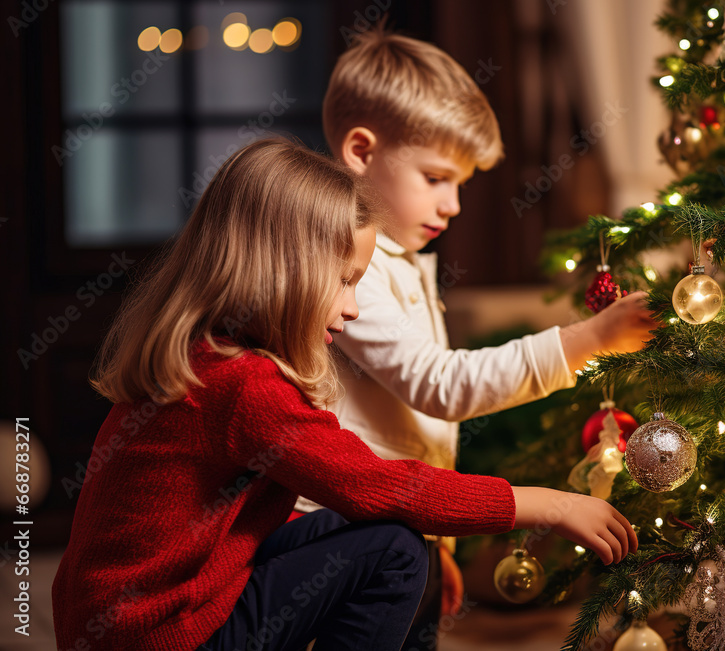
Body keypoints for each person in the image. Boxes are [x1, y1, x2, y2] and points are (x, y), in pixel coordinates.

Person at [51, 138, 638, 651]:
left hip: (139, 619)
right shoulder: (241, 382)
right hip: (161, 636)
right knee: (395, 549)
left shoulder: (209, 354)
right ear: (280, 267)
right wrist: (554, 505)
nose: (353, 308)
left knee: (393, 535)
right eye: (344, 281)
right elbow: (377, 484)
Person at [306, 25, 659, 649]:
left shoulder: (400, 259)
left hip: (397, 523)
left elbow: (412, 431)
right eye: (437, 177)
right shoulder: (343, 262)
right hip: (341, 535)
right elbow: (440, 385)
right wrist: (590, 338)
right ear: (361, 151)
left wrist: (436, 539)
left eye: (462, 183)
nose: (455, 204)